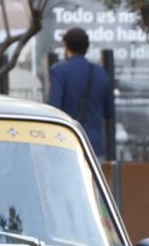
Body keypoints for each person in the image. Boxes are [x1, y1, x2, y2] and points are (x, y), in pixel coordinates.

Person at [47, 27, 115, 159]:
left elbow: (54, 108)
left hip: (66, 143)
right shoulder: (101, 73)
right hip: (94, 146)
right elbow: (109, 112)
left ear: (66, 46)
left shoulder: (59, 71)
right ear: (86, 47)